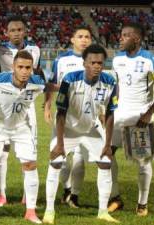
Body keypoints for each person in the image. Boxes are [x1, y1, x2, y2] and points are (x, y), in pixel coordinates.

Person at [43, 44, 119, 224]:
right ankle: (49, 211)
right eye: (93, 62)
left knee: (106, 162)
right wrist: (60, 143)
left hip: (91, 129)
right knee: (55, 162)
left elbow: (110, 114)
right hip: (67, 129)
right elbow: (60, 113)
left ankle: (102, 212)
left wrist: (107, 144)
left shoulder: (110, 82)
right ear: (84, 63)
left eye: (100, 63)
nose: (97, 66)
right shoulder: (70, 80)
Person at [108, 22, 154, 216]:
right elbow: (116, 87)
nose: (120, 38)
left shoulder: (151, 60)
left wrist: (149, 113)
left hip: (139, 118)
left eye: (125, 35)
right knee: (106, 155)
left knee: (143, 162)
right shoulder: (117, 59)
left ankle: (142, 204)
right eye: (121, 34)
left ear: (136, 38)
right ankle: (115, 197)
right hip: (118, 116)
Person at [0, 50, 46, 224]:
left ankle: (30, 211)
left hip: (21, 127)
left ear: (32, 69)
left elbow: (51, 86)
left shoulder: (37, 83)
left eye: (28, 68)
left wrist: (48, 104)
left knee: (31, 165)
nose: (24, 71)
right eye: (20, 67)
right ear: (13, 67)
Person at [0, 16, 41, 206]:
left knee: (28, 150)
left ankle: (27, 195)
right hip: (3, 106)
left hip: (27, 105)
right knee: (2, 151)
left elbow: (38, 75)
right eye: (13, 30)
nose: (16, 33)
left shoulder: (35, 50)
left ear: (25, 31)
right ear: (6, 32)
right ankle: (1, 194)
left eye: (20, 29)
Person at [44, 25, 92, 208]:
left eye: (87, 36)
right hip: (64, 114)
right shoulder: (61, 61)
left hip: (87, 115)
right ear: (72, 39)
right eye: (80, 36)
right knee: (60, 156)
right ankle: (66, 189)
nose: (84, 39)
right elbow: (52, 84)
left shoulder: (95, 59)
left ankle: (75, 196)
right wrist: (47, 106)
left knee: (80, 158)